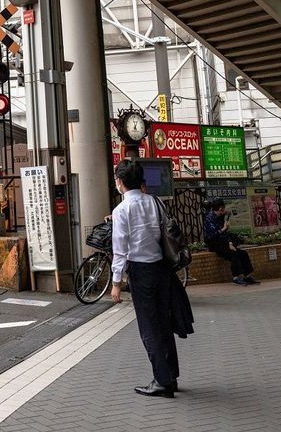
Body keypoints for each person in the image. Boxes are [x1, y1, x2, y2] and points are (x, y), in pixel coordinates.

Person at [109, 159, 188, 398]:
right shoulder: (154, 202)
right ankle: (171, 377)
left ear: (120, 182)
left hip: (140, 273)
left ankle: (161, 382)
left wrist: (115, 282)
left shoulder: (121, 210)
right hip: (162, 269)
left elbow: (120, 249)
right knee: (164, 323)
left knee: (149, 328)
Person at [203, 199, 259, 286]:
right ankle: (236, 277)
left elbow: (225, 233)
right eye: (224, 208)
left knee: (243, 253)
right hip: (214, 243)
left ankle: (247, 276)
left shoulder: (221, 216)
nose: (225, 209)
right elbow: (212, 235)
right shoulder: (209, 218)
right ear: (221, 208)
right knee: (234, 253)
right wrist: (224, 230)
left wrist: (229, 242)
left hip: (223, 241)